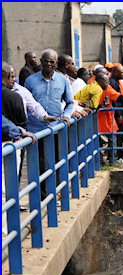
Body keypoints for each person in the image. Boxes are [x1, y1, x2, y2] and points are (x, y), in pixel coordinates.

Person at [24, 49, 74, 180]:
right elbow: (26, 105)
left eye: (52, 62)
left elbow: (70, 102)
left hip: (56, 128)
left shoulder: (62, 81)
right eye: (46, 61)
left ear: (56, 63)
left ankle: (56, 193)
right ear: (41, 62)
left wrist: (67, 116)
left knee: (57, 162)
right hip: (35, 130)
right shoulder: (30, 81)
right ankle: (42, 197)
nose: (49, 64)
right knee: (38, 165)